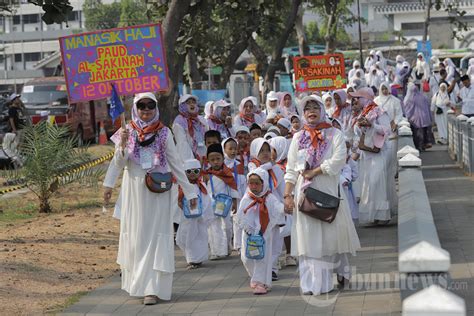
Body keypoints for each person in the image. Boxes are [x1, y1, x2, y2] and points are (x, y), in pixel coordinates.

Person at [103, 92, 198, 305]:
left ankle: (153, 289)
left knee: (157, 238)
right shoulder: (126, 131)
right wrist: (109, 184)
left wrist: (190, 191)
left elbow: (175, 163)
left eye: (150, 106)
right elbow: (118, 162)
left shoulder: (164, 132)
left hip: (157, 193)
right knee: (137, 238)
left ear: (156, 108)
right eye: (142, 106)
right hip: (134, 193)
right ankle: (138, 284)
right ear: (135, 108)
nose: (146, 111)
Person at [283, 95, 360, 295]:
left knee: (329, 237)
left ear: (322, 110)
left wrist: (315, 171)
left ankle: (328, 280)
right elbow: (291, 169)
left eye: (315, 107)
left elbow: (338, 161)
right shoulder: (298, 137)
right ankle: (309, 284)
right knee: (308, 237)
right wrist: (288, 195)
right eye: (307, 108)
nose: (311, 111)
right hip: (304, 192)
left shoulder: (334, 134)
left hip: (327, 189)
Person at [237, 167, 285, 295]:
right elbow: (241, 214)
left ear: (263, 183)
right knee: (246, 258)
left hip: (264, 233)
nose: (253, 186)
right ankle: (255, 277)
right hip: (248, 234)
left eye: (257, 183)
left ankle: (260, 282)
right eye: (250, 183)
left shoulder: (269, 197)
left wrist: (286, 208)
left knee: (262, 258)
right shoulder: (247, 197)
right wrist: (245, 228)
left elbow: (278, 207)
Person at [349, 88, 392, 225]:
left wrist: (372, 125)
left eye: (359, 98)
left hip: (378, 152)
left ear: (366, 98)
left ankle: (382, 214)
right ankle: (372, 215)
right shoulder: (363, 112)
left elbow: (387, 130)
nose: (356, 100)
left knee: (376, 182)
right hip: (366, 153)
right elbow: (358, 132)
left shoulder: (378, 111)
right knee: (368, 184)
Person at [176, 159, 213, 270]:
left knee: (198, 237)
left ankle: (195, 259)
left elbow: (207, 200)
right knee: (184, 237)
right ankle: (192, 258)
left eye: (195, 171)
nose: (192, 174)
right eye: (189, 171)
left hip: (199, 218)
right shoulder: (181, 186)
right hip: (186, 218)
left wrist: (203, 213)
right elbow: (177, 201)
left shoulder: (201, 186)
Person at [205, 143, 240, 259]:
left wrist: (235, 201)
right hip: (212, 205)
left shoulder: (228, 173)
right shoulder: (206, 175)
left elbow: (233, 187)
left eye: (218, 159)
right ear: (208, 161)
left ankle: (227, 247)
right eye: (212, 159)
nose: (215, 162)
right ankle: (216, 251)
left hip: (226, 204)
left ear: (223, 158)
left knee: (227, 227)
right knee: (213, 228)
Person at [374, 82, 403, 215]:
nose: (385, 90)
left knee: (390, 163)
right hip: (379, 135)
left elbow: (399, 114)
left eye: (386, 88)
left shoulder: (395, 101)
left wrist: (395, 123)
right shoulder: (376, 101)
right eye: (383, 88)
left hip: (391, 134)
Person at [172, 94, 208, 161]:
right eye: (188, 103)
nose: (192, 105)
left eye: (193, 102)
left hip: (204, 158)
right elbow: (182, 144)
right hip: (187, 159)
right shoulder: (179, 122)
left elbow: (207, 138)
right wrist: (191, 163)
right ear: (182, 106)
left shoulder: (201, 120)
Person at [403, 83, 435, 150]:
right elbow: (428, 107)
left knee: (417, 134)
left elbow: (407, 110)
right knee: (424, 132)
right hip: (425, 118)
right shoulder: (423, 96)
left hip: (415, 119)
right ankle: (424, 145)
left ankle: (419, 146)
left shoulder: (409, 98)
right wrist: (430, 118)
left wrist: (407, 117)